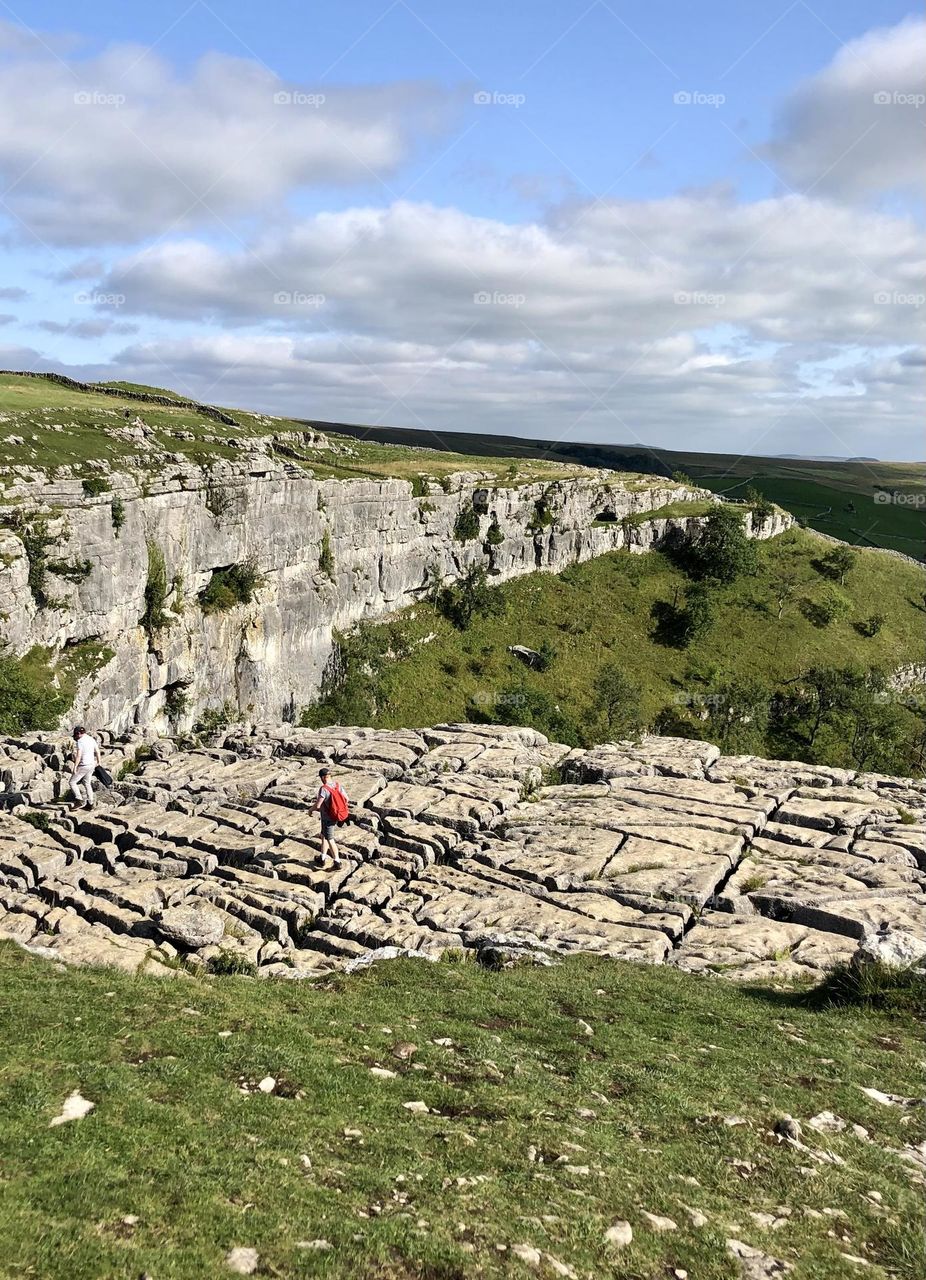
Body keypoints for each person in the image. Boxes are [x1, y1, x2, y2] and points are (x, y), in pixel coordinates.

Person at [313, 767, 346, 869]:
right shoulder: (337, 785)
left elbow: (318, 805)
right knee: (324, 835)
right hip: (336, 815)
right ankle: (322, 857)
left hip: (328, 818)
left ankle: (337, 861)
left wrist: (310, 810)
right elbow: (346, 798)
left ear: (323, 778)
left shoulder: (324, 789)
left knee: (330, 838)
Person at [69, 726, 101, 811]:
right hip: (91, 764)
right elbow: (97, 751)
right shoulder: (91, 739)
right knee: (87, 783)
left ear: (79, 733)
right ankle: (90, 804)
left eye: (75, 735)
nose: (75, 737)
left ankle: (79, 800)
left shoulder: (80, 741)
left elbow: (79, 755)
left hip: (84, 765)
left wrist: (75, 766)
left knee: (72, 782)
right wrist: (99, 762)